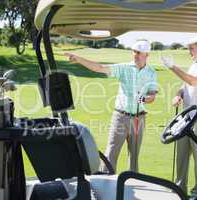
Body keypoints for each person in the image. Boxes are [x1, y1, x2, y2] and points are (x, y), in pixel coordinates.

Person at [65, 40, 158, 172]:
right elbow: (100, 68)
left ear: (146, 55)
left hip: (139, 119)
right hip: (121, 117)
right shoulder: (124, 68)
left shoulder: (151, 72)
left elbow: (152, 96)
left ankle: (133, 184)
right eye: (134, 52)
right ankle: (107, 182)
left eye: (139, 53)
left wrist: (144, 98)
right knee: (111, 154)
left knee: (134, 156)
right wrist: (79, 59)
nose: (135, 55)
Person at [161, 37, 197, 200]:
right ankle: (179, 190)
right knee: (181, 155)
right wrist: (178, 94)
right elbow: (185, 85)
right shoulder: (195, 63)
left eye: (192, 48)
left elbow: (194, 82)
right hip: (185, 118)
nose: (189, 51)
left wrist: (173, 66)